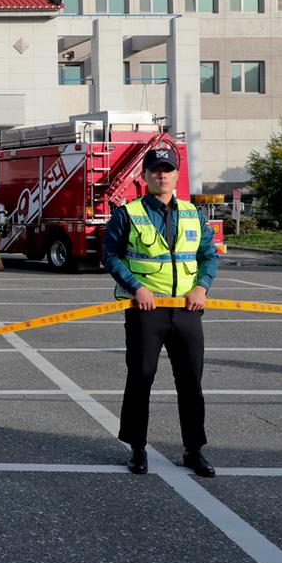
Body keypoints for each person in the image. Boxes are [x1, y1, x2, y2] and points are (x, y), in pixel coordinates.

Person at [103, 146, 219, 478]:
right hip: (145, 310)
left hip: (187, 309)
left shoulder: (193, 214)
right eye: (155, 170)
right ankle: (137, 448)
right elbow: (110, 255)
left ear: (177, 176)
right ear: (144, 176)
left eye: (167, 170)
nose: (161, 175)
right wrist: (136, 287)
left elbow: (208, 255)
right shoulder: (128, 213)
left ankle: (193, 450)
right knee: (140, 379)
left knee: (191, 382)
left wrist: (202, 287)